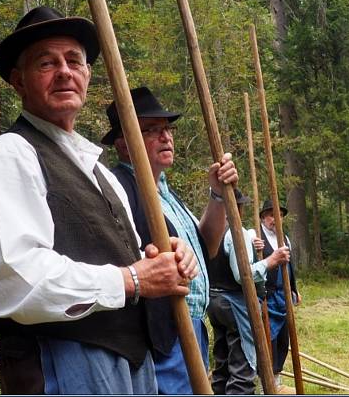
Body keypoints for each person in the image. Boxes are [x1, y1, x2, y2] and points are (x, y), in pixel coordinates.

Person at [0, 6, 199, 395]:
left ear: (87, 75)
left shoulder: (100, 170)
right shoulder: (9, 155)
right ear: (19, 81)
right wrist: (133, 279)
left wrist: (167, 255)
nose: (65, 71)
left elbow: (133, 255)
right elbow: (15, 277)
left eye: (74, 61)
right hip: (61, 359)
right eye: (46, 63)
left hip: (131, 359)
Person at [102, 86, 238, 394]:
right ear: (124, 143)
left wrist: (217, 195)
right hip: (160, 336)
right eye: (152, 130)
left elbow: (209, 248)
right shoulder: (117, 189)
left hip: (191, 330)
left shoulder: (166, 191)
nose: (166, 137)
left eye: (167, 129)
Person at [207, 189, 290, 394]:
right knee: (243, 368)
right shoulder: (236, 231)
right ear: (238, 207)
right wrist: (271, 261)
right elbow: (243, 275)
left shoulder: (209, 229)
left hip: (215, 301)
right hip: (234, 303)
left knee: (223, 366)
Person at [258, 199, 302, 393]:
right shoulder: (255, 236)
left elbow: (290, 267)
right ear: (262, 217)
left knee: (284, 338)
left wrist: (294, 289)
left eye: (278, 215)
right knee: (269, 339)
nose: (275, 219)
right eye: (270, 215)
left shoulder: (284, 238)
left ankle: (276, 379)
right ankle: (264, 383)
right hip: (267, 296)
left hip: (284, 296)